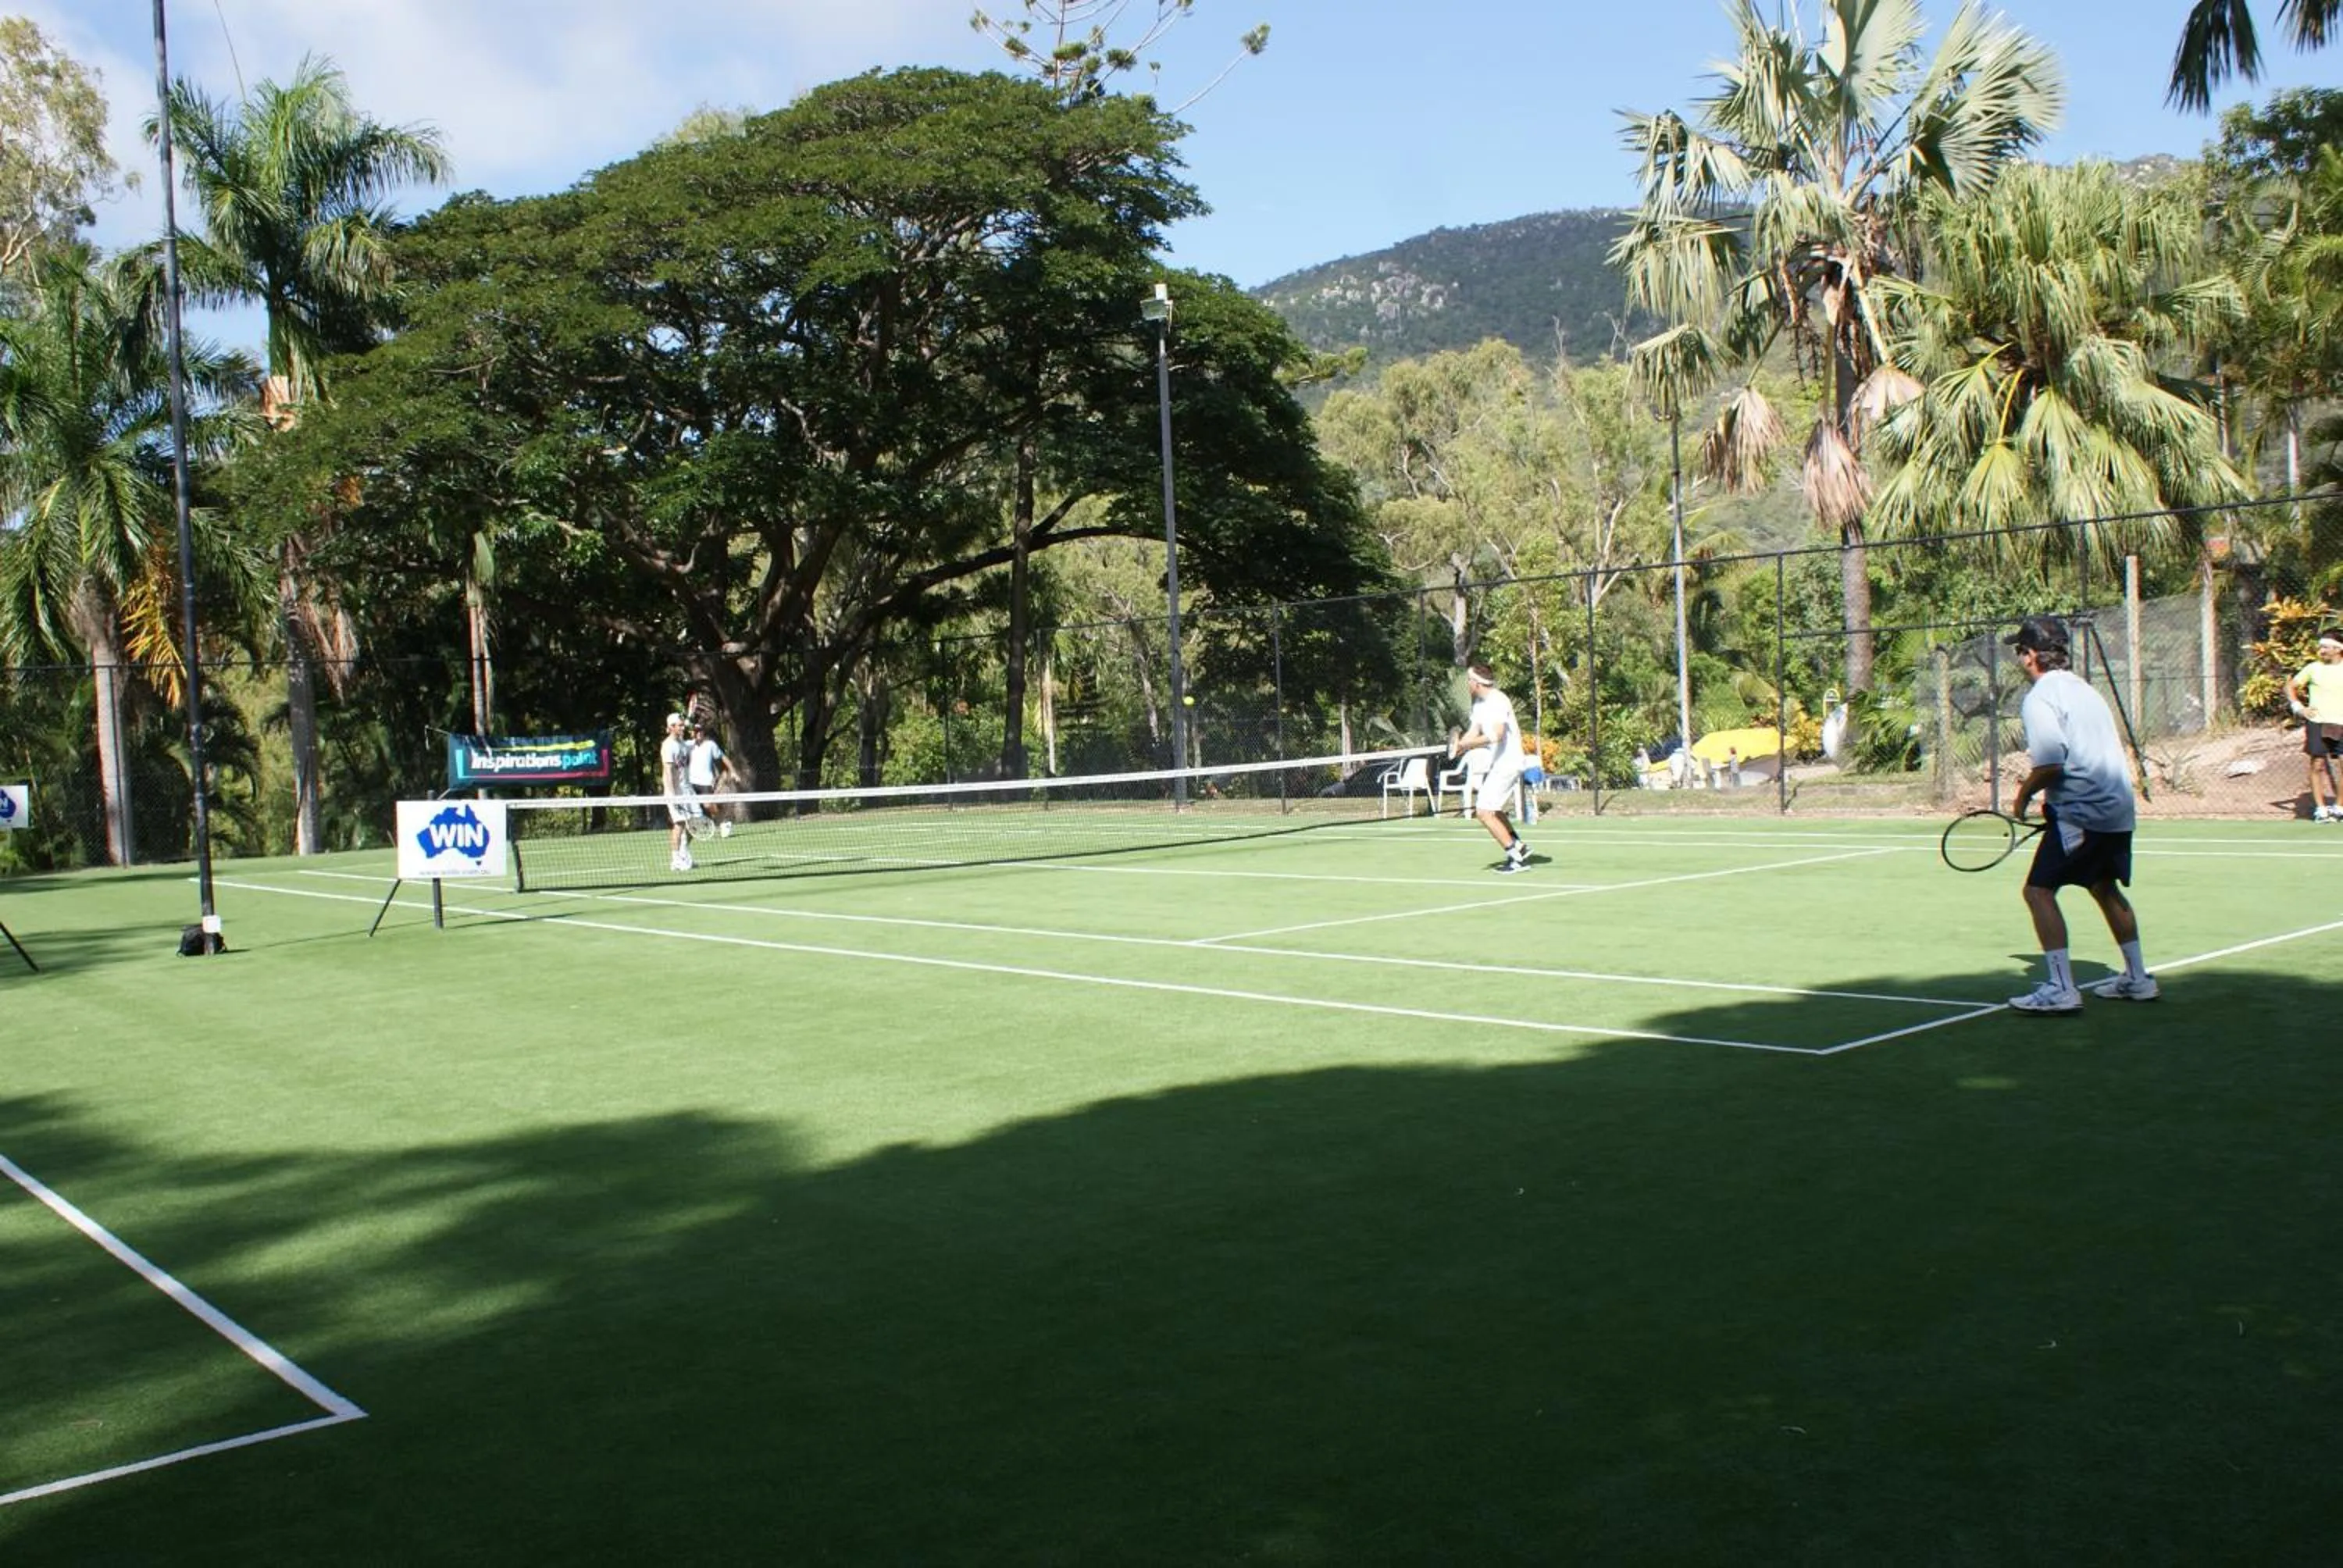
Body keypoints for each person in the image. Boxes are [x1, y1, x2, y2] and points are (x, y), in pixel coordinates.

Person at [2005, 615, 2156, 1013]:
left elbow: (2051, 762)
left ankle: (2060, 989)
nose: (2021, 659)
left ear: (2031, 655)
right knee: (2104, 886)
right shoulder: (2086, 690)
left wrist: (2022, 798)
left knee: (2037, 892)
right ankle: (2138, 979)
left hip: (2082, 813)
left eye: (2021, 651)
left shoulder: (2040, 697)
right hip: (2116, 807)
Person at [1449, 663, 1532, 874]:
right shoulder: (1479, 704)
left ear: (1476, 683)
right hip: (1499, 763)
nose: (1467, 684)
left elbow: (1497, 734)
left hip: (1510, 763)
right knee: (1492, 809)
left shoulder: (1498, 700)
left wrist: (1465, 745)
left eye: (1469, 680)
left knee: (1484, 811)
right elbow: (1472, 732)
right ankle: (1519, 846)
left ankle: (1516, 857)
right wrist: (1460, 747)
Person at [2283, 633, 2343, 821]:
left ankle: (2339, 808)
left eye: (2326, 647)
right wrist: (2298, 707)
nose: (2322, 651)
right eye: (2321, 647)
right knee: (2317, 763)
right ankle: (2321, 809)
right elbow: (2290, 686)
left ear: (2338, 649)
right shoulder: (2313, 668)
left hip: (2341, 723)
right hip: (2318, 722)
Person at [659, 711, 695, 871]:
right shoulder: (668, 746)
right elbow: (668, 772)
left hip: (687, 791)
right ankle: (675, 860)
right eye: (680, 726)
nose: (683, 727)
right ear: (671, 727)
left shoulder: (682, 744)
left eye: (683, 725)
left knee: (693, 824)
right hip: (674, 793)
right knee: (679, 824)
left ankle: (684, 854)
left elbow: (694, 742)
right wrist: (673, 796)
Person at [686, 720, 733, 837]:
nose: (699, 734)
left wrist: (732, 771)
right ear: (692, 733)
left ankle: (724, 822)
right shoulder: (688, 745)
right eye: (696, 732)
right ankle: (697, 827)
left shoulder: (710, 745)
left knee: (708, 805)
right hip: (691, 782)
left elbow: (723, 757)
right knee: (692, 807)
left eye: (700, 731)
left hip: (705, 782)